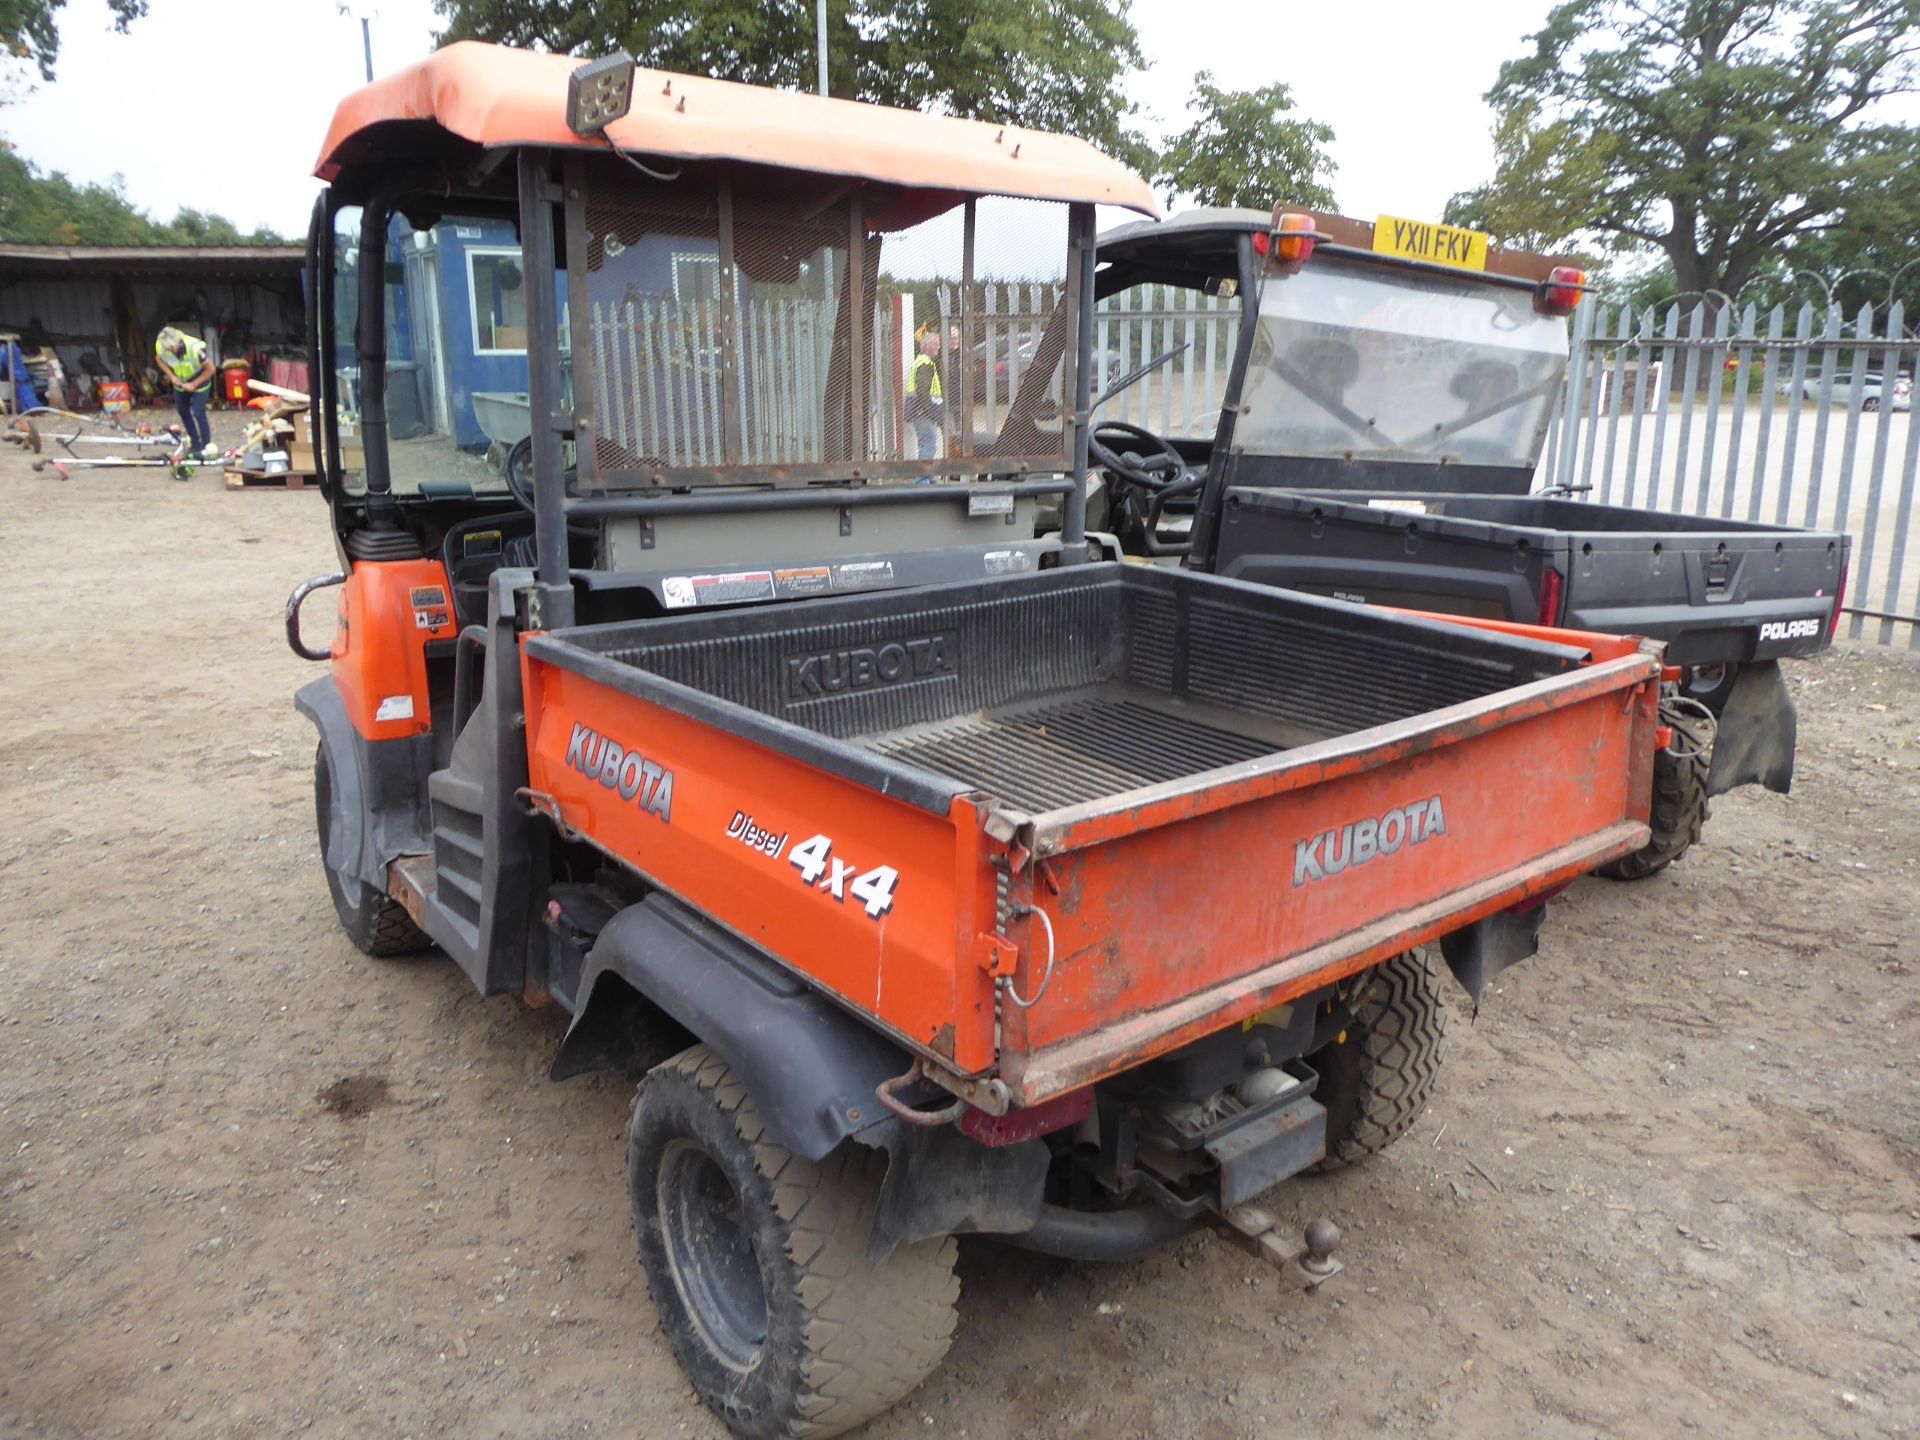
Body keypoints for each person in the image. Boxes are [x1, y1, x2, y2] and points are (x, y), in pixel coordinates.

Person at [155, 326, 218, 460]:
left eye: (169, 349)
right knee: (182, 410)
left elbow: (211, 369)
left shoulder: (194, 348)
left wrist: (194, 384)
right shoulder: (161, 346)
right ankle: (195, 443)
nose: (167, 351)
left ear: (176, 344)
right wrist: (171, 376)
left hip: (200, 380)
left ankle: (206, 446)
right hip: (181, 381)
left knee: (198, 412)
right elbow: (158, 359)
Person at [905, 327, 944, 460]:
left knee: (926, 444)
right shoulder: (925, 364)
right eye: (937, 345)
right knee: (928, 444)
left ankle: (928, 478)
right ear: (928, 346)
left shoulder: (921, 362)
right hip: (924, 412)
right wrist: (926, 408)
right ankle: (923, 478)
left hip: (921, 410)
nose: (939, 348)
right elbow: (922, 388)